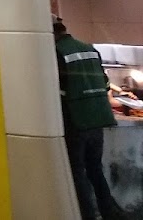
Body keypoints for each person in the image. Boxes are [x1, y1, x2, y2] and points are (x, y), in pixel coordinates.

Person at [53, 16, 127, 220]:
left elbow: (58, 90)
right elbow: (104, 83)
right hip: (98, 119)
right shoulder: (89, 49)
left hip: (76, 121)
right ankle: (109, 212)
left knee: (77, 173)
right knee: (95, 169)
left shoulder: (57, 52)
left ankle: (87, 215)